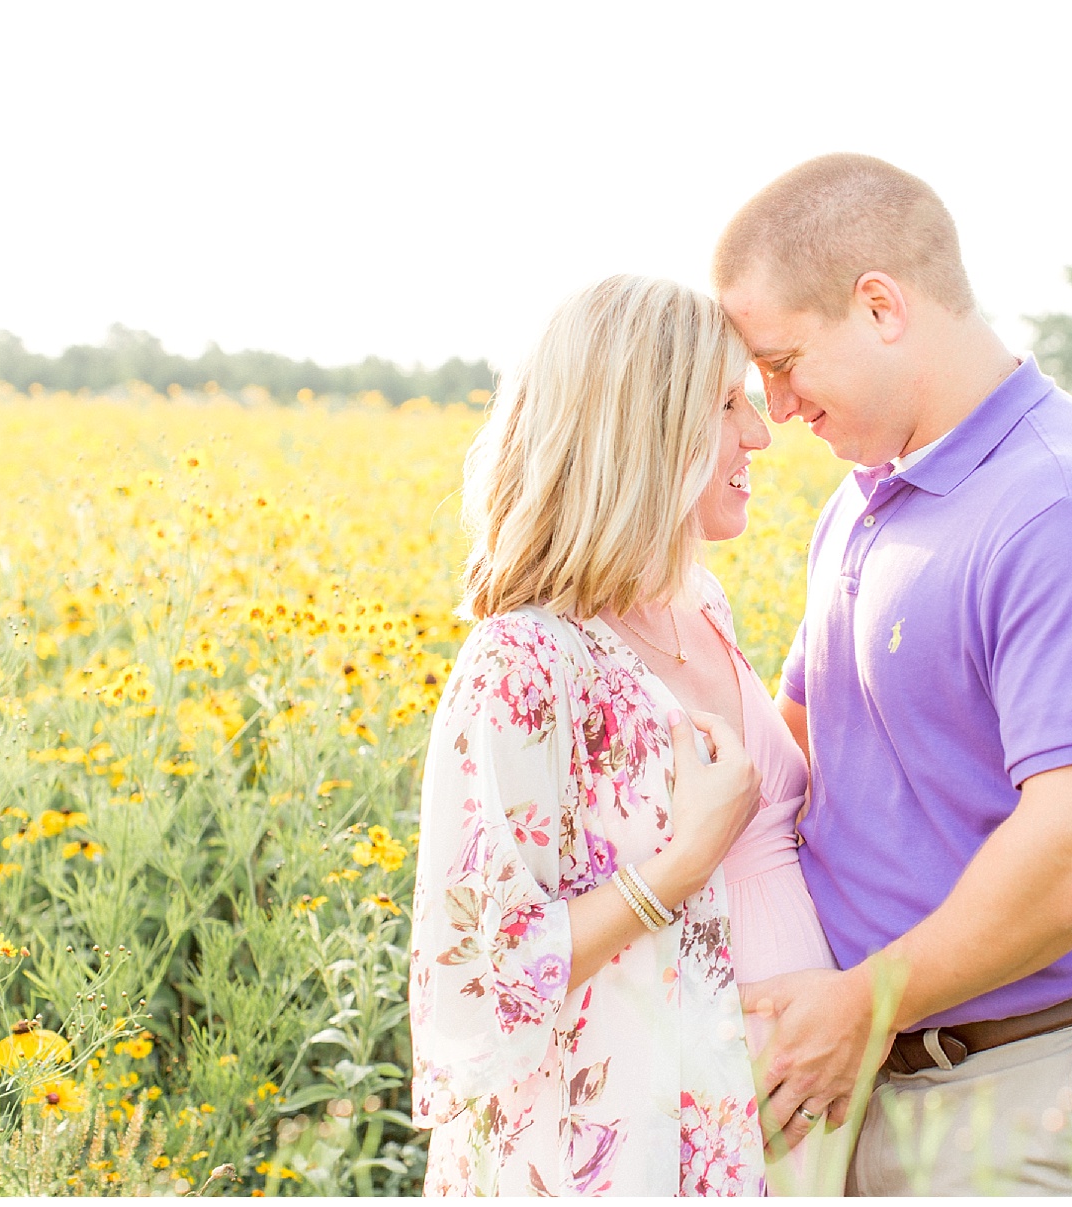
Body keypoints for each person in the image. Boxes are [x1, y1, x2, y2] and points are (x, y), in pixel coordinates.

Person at [711, 153, 1072, 1195]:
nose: (771, 409)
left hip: (1042, 1085)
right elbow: (804, 744)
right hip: (893, 1073)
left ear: (880, 306)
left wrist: (863, 1002)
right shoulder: (867, 499)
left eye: (783, 360)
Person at [406, 274, 837, 1196]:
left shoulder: (698, 604)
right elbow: (486, 975)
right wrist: (679, 867)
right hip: (621, 1151)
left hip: (772, 1126)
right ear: (643, 429)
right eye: (726, 404)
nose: (759, 433)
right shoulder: (525, 660)